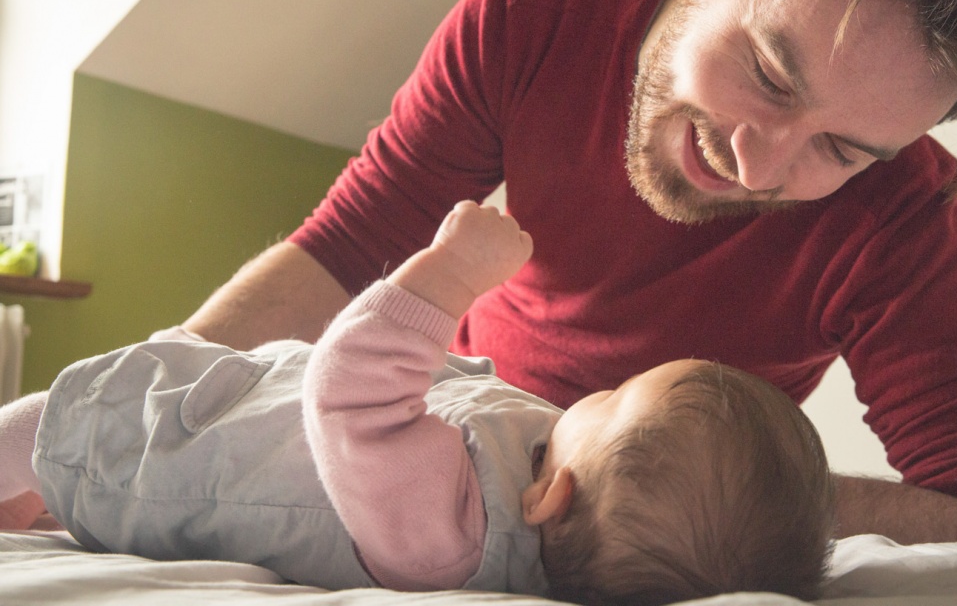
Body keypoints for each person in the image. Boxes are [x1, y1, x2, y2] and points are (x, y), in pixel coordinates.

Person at [183, 0, 957, 541]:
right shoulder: (536, 15)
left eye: (838, 150)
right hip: (439, 435)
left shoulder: (902, 217)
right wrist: (125, 408)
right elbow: (343, 252)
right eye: (767, 74)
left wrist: (688, 501)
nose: (755, 166)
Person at [0, 202, 835, 604]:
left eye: (613, 397)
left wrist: (449, 275)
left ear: (557, 494)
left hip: (154, 450)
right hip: (224, 398)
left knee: (37, 428)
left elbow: (352, 393)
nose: (596, 390)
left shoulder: (447, 537)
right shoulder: (534, 494)